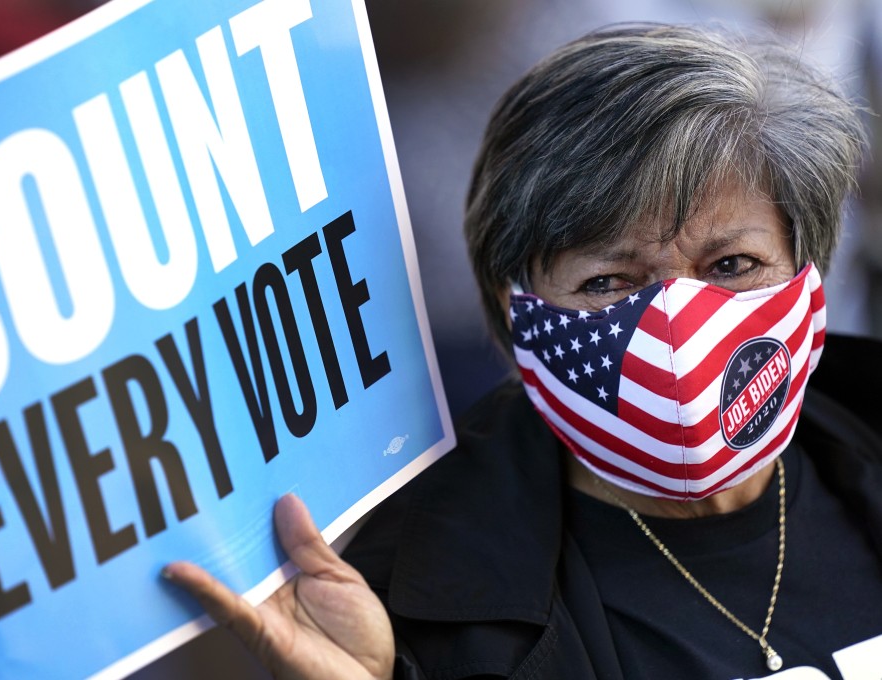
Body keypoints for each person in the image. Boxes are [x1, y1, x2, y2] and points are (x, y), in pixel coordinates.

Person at [163, 22, 882, 679]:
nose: (676, 321)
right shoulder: (424, 604)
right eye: (608, 280)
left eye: (732, 264)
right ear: (518, 312)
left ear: (808, 269)